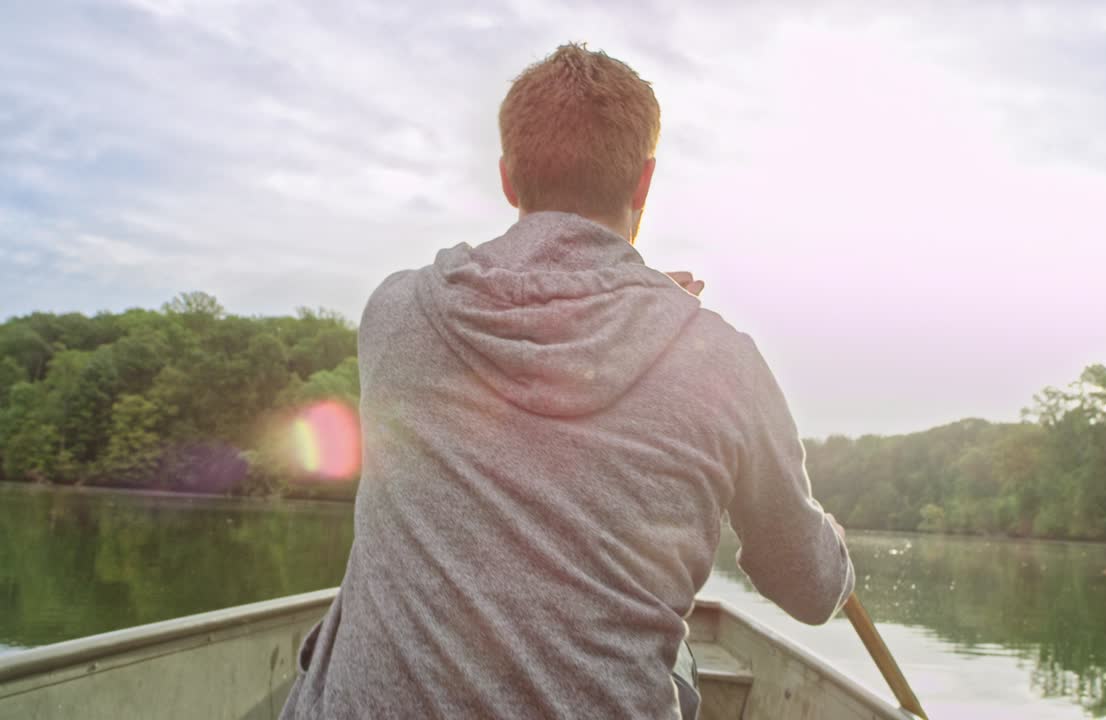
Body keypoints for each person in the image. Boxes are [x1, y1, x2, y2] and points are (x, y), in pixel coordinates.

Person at [279, 43, 854, 720]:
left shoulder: (395, 316)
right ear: (643, 184)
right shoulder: (720, 361)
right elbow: (811, 590)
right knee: (678, 660)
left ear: (507, 179)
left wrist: (626, 304)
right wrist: (835, 550)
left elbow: (537, 329)